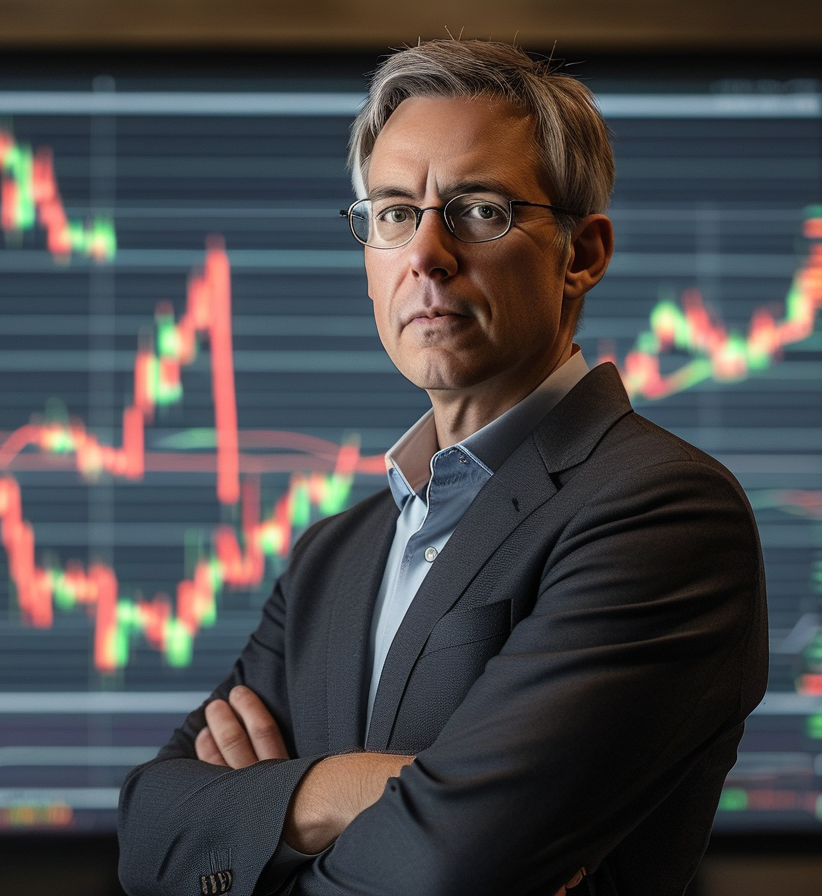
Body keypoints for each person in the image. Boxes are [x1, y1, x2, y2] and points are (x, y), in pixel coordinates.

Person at [117, 40, 768, 896]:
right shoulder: (331, 557)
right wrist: (367, 789)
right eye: (393, 212)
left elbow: (453, 866)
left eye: (479, 209)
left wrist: (259, 818)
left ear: (583, 254)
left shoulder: (664, 513)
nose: (426, 254)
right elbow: (146, 833)